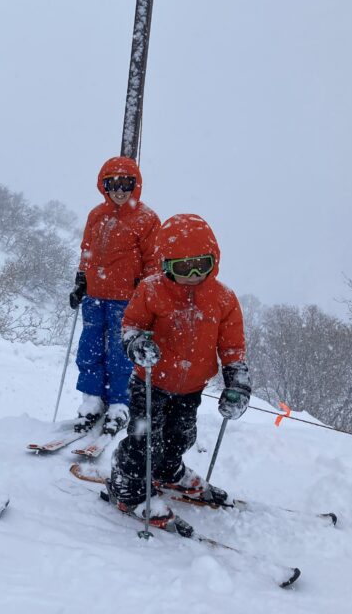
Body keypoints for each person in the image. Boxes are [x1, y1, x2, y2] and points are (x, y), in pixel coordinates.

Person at [106, 213, 251, 527]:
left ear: (216, 260)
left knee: (180, 436)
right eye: (184, 267)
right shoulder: (151, 291)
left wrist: (237, 380)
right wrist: (137, 345)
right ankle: (127, 483)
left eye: (203, 264)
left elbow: (232, 347)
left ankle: (167, 470)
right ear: (167, 265)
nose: (194, 274)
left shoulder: (223, 298)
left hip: (191, 387)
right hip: (150, 381)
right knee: (145, 439)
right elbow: (131, 326)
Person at [68, 156, 160, 436]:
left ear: (136, 185)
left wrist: (147, 296)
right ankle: (92, 400)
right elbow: (87, 250)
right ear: (103, 185)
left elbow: (153, 262)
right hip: (95, 295)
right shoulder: (96, 215)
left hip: (127, 299)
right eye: (113, 183)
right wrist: (81, 281)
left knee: (121, 353)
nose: (120, 190)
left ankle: (119, 404)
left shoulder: (146, 219)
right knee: (90, 348)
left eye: (126, 183)